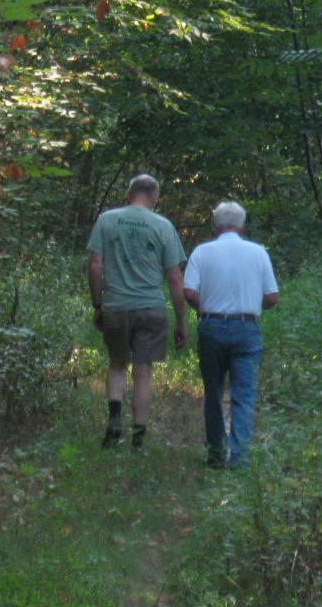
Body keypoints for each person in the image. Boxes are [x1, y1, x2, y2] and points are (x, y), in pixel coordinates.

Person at [87, 174, 188, 450]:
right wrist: (181, 321)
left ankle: (114, 421)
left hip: (116, 306)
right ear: (155, 197)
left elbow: (95, 265)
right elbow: (175, 277)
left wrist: (98, 304)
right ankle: (138, 439)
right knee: (144, 371)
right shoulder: (163, 226)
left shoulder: (107, 220)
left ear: (128, 193)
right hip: (150, 307)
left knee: (118, 364)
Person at [183, 201, 278, 469]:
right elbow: (272, 297)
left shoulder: (202, 252)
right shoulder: (258, 253)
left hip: (211, 327)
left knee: (213, 392)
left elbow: (188, 291)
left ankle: (215, 453)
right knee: (244, 396)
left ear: (215, 225)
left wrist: (207, 307)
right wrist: (247, 304)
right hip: (247, 329)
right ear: (242, 225)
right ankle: (239, 459)